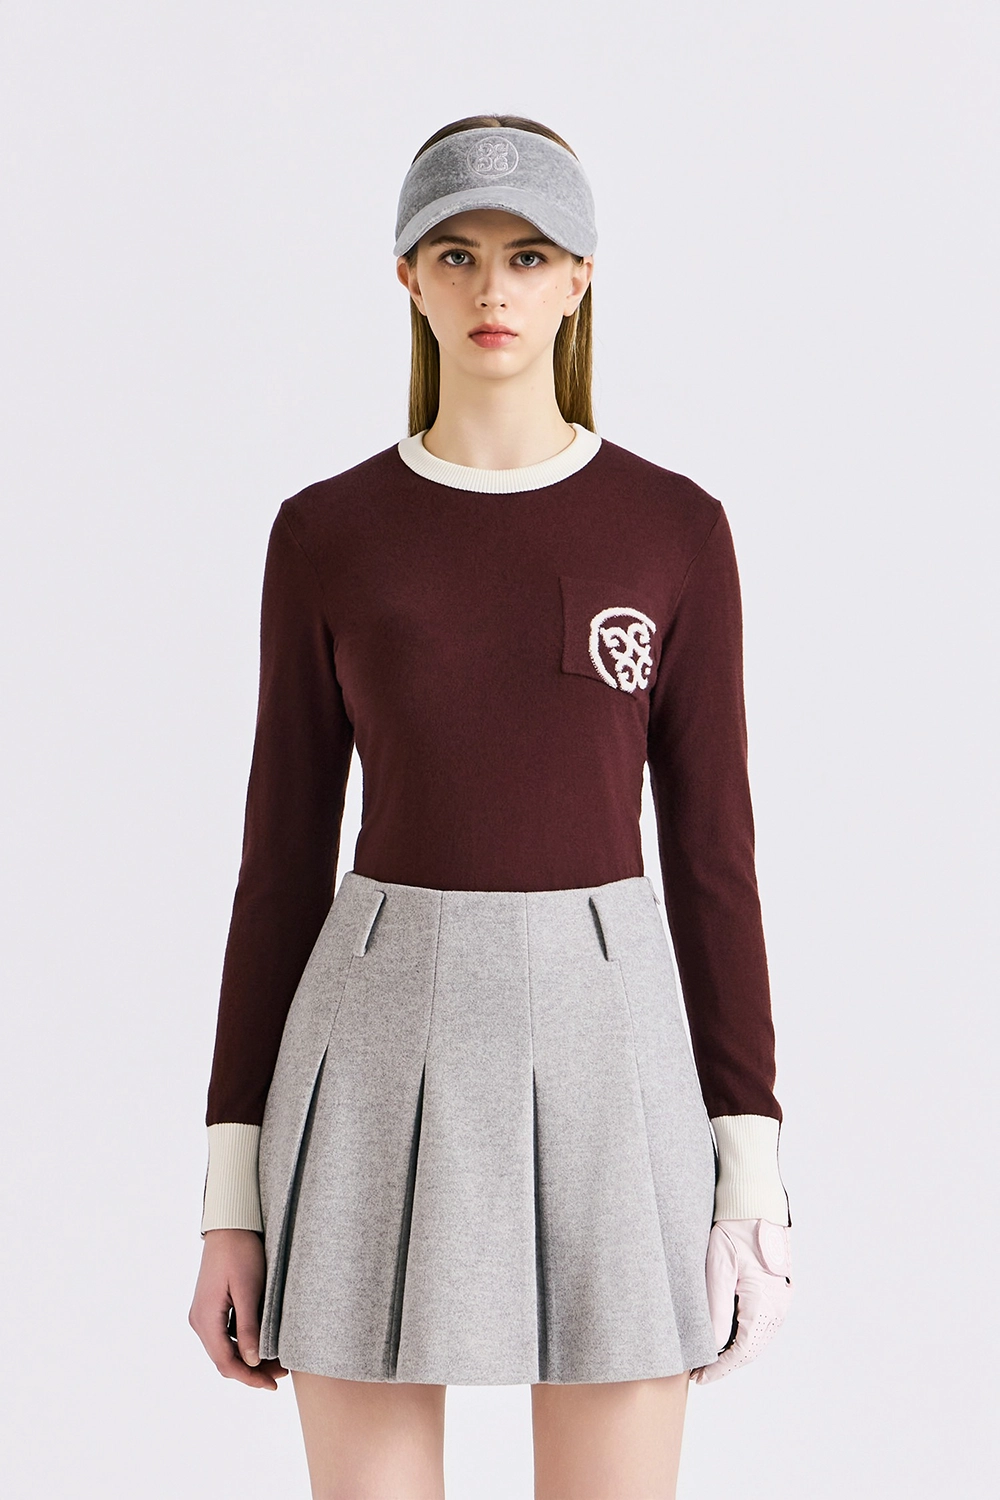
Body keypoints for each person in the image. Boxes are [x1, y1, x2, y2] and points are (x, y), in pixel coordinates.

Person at [188, 113, 794, 1500]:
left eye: (528, 254)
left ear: (581, 276)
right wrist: (229, 1203)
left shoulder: (674, 527)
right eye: (456, 253)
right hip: (373, 1036)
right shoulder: (328, 532)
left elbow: (715, 864)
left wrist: (750, 1179)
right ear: (408, 276)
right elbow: (278, 867)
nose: (493, 289)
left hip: (614, 1043)